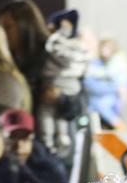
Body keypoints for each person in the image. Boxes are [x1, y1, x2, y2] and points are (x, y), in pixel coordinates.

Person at [38, 9, 89, 152]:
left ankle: (47, 140)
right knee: (60, 115)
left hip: (55, 82)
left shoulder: (56, 42)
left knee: (47, 111)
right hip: (72, 85)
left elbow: (57, 52)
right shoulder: (80, 47)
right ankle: (62, 137)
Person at [1, 109, 73, 183]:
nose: (18, 144)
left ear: (32, 138)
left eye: (24, 137)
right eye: (12, 137)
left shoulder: (50, 166)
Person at [0, 0, 50, 103]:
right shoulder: (4, 61)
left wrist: (61, 99)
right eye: (0, 28)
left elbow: (76, 100)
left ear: (25, 25)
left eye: (8, 27)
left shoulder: (51, 56)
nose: (3, 34)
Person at [84, 37, 127, 130]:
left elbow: (124, 84)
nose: (104, 51)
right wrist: (115, 88)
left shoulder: (116, 63)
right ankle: (116, 122)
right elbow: (92, 86)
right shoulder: (94, 64)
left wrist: (120, 90)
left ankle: (117, 123)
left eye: (107, 48)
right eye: (103, 48)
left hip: (113, 105)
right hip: (97, 106)